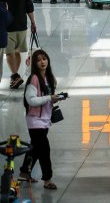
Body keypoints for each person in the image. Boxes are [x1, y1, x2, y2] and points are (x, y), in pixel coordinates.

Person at [19, 49, 61, 190]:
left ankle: (25, 171)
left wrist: (55, 98)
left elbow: (46, 98)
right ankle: (47, 179)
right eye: (38, 60)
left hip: (45, 119)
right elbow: (31, 100)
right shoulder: (34, 79)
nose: (42, 62)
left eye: (44, 59)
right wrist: (49, 98)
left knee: (36, 148)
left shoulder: (49, 78)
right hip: (34, 120)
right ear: (35, 64)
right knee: (44, 149)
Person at [0, 0, 36, 90]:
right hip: (22, 26)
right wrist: (33, 23)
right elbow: (29, 7)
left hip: (8, 27)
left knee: (9, 53)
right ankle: (15, 76)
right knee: (17, 50)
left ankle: (15, 75)